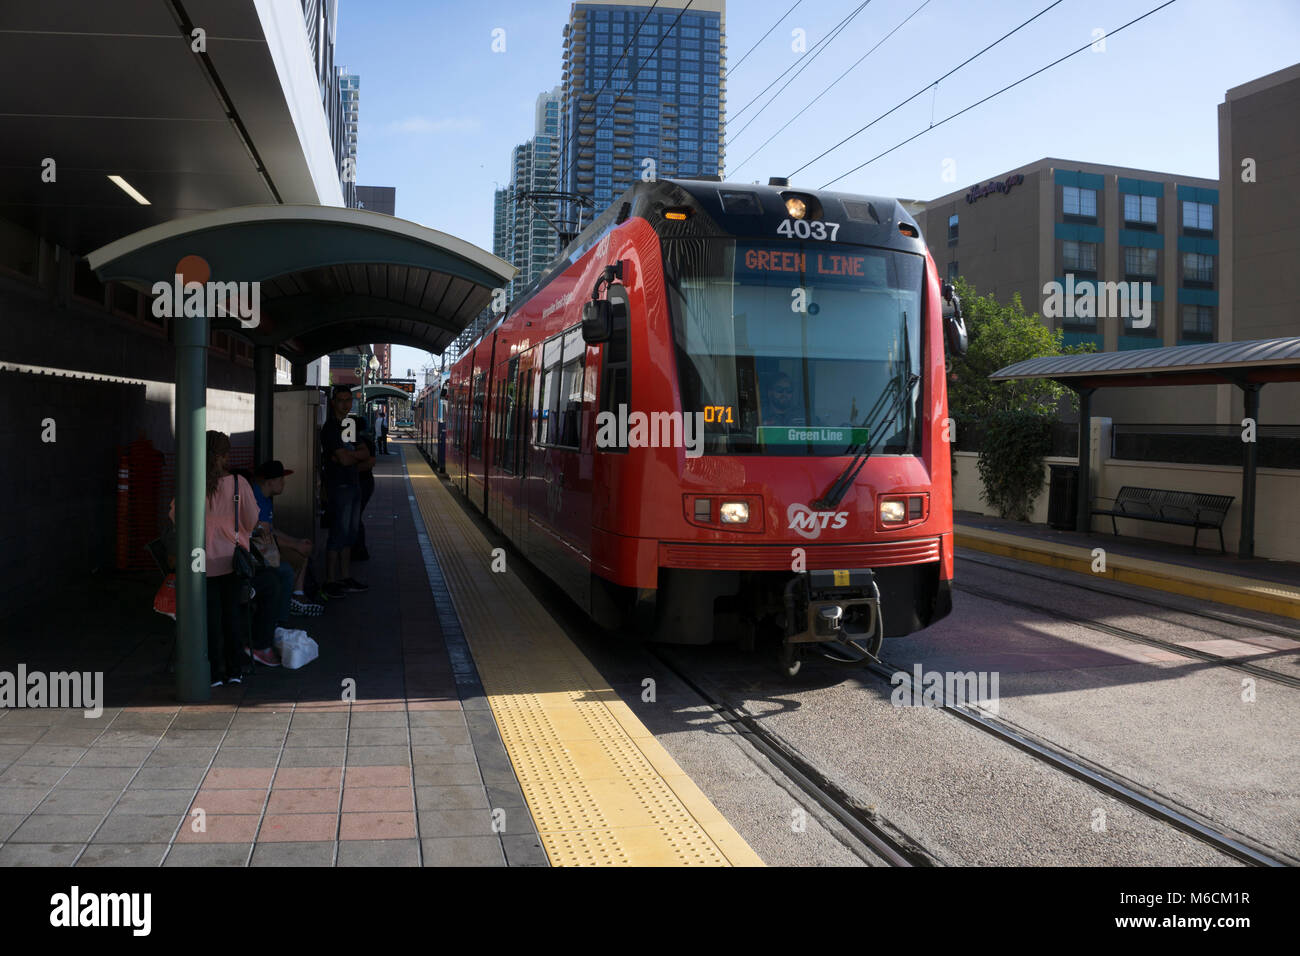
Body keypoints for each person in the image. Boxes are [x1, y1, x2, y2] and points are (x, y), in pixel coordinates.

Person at [170, 431, 281, 686]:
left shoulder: (192, 482)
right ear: (223, 456)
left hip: (200, 562)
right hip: (232, 561)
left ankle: (214, 672)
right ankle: (234, 670)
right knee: (231, 614)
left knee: (210, 617)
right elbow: (252, 520)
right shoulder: (238, 484)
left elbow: (176, 517)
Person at [251, 460, 323, 618]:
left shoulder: (266, 497)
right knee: (288, 567)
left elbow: (271, 530)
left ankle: (297, 596)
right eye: (280, 479)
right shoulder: (256, 497)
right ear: (269, 482)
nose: (284, 483)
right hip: (254, 552)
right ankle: (283, 616)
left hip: (264, 547)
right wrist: (295, 545)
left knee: (301, 552)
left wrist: (296, 542)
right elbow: (265, 535)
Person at [319, 385, 371, 599]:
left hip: (352, 484)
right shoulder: (330, 428)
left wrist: (349, 456)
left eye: (348, 400)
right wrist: (350, 456)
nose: (345, 404)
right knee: (337, 534)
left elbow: (365, 452)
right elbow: (346, 458)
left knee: (350, 533)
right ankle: (331, 581)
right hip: (338, 486)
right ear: (333, 403)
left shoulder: (349, 425)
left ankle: (345, 577)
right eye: (341, 400)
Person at [350, 415, 378, 562]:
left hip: (363, 483)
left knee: (355, 516)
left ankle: (359, 549)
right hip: (364, 482)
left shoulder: (364, 441)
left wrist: (349, 467)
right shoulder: (351, 440)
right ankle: (357, 548)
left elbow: (370, 463)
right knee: (355, 516)